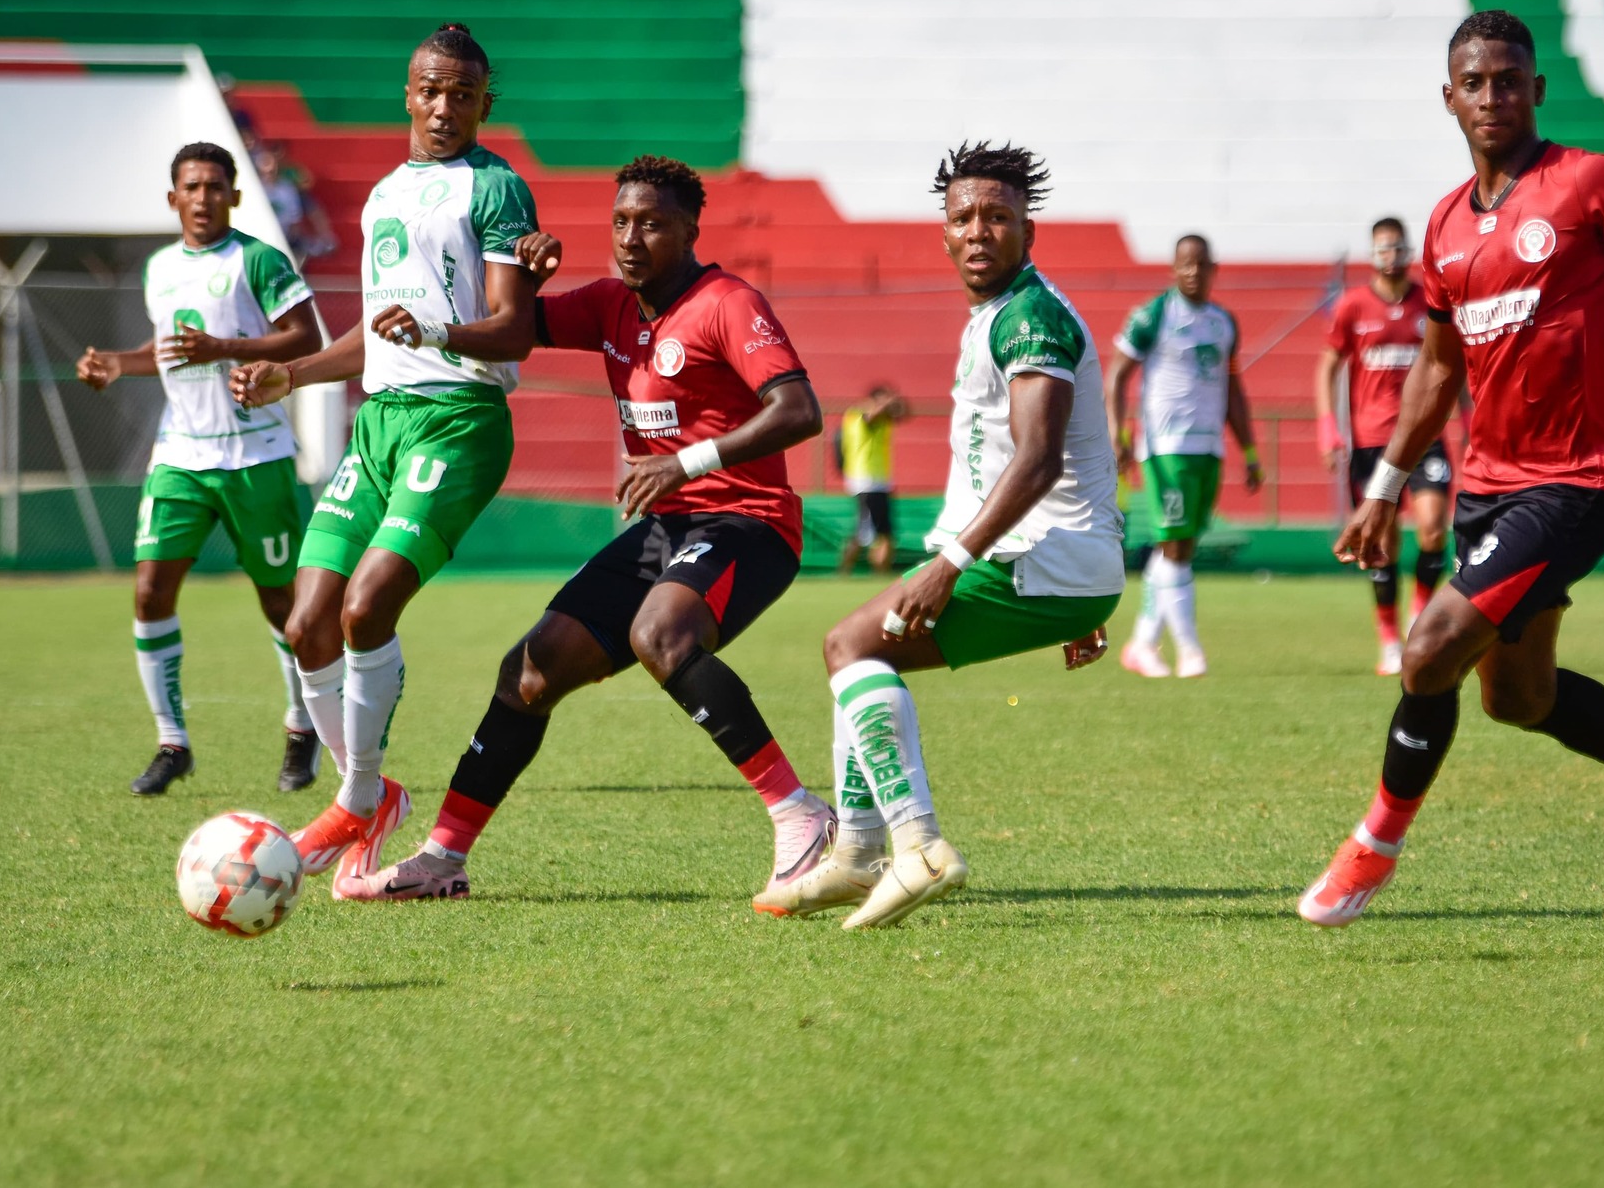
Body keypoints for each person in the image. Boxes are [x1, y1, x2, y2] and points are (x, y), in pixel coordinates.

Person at [1298, 10, 1604, 927]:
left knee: (1428, 652)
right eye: (1475, 81)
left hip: (1580, 478)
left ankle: (1372, 848)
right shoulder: (1446, 226)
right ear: (1448, 98)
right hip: (1487, 484)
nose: (1492, 95)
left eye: (1509, 79)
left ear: (1537, 89)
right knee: (1519, 698)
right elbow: (1435, 366)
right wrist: (1383, 488)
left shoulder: (1594, 183)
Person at [340, 157, 835, 906]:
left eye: (654, 224)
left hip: (750, 523)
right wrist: (488, 299)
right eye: (622, 222)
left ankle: (800, 815)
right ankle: (443, 858)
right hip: (671, 526)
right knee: (530, 671)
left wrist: (684, 462)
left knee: (660, 635)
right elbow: (512, 333)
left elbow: (800, 411)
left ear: (691, 231)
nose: (633, 238)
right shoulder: (609, 304)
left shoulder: (727, 302)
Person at [758, 142, 1123, 929]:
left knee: (850, 646)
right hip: (1057, 563)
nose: (980, 230)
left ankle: (916, 847)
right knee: (859, 650)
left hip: (1040, 559)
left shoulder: (1030, 316)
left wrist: (950, 563)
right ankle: (855, 856)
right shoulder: (1000, 312)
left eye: (999, 216)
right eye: (965, 217)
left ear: (1031, 230)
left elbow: (1040, 460)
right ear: (944, 233)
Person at [230, 23, 541, 896]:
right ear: (407, 94)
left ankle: (359, 797)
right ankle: (372, 791)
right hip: (379, 424)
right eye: (429, 90)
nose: (443, 107)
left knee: (367, 608)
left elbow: (515, 325)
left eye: (462, 94)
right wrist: (289, 373)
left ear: (485, 103)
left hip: (457, 421)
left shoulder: (498, 190)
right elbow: (375, 334)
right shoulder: (380, 198)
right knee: (305, 623)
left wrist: (439, 331)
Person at [77, 143, 324, 796]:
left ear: (235, 197)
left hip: (257, 456)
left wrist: (226, 348)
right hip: (180, 454)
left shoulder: (258, 260)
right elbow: (168, 351)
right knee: (150, 589)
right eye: (192, 186)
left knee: (280, 602)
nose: (204, 197)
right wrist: (118, 365)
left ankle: (302, 729)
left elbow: (308, 340)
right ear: (172, 198)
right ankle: (172, 742)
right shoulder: (159, 269)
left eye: (217, 186)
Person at [1107, 234, 1261, 678]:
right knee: (1174, 546)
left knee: (1181, 547)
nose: (1193, 272)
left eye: (1201, 264)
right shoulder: (1154, 315)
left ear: (1214, 268)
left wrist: (1249, 450)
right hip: (1165, 448)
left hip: (1207, 449)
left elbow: (1233, 389)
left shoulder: (1223, 322)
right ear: (1173, 269)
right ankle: (1189, 650)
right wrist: (1120, 434)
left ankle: (1141, 643)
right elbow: (1116, 375)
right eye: (1185, 265)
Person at [1318, 217, 1453, 676]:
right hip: (1374, 442)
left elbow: (1453, 361)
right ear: (1371, 254)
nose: (1389, 256)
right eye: (1382, 249)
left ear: (1408, 250)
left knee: (1434, 527)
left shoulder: (1429, 301)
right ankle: (1389, 639)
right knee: (1385, 540)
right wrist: (1327, 427)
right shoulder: (1353, 305)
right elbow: (1328, 365)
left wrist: (1472, 422)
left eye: (1397, 247)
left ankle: (1419, 615)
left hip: (1426, 435)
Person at [837, 384, 909, 574]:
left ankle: (865, 571)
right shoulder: (858, 414)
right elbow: (871, 417)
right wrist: (887, 403)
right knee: (871, 533)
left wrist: (894, 403)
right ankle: (850, 571)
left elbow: (904, 413)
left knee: (874, 532)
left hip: (879, 481)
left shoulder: (884, 419)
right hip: (865, 481)